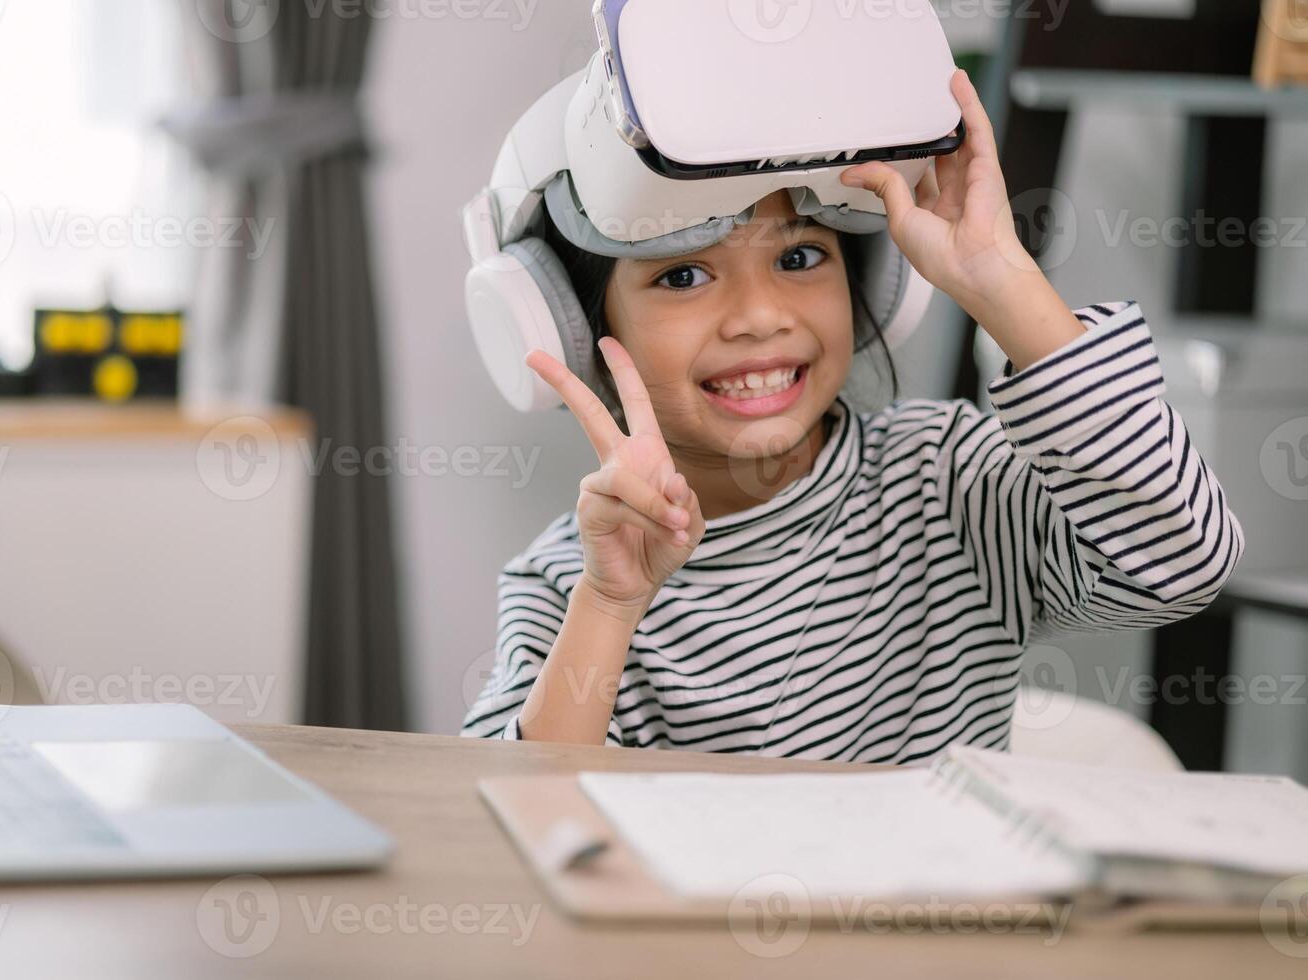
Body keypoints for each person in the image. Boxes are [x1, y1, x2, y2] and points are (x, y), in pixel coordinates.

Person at [461, 70, 1244, 761]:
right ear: (570, 327)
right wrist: (610, 607)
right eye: (684, 274)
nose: (759, 317)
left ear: (869, 285)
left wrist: (1001, 283)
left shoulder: (944, 480)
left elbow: (1184, 563)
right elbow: (521, 822)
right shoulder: (573, 582)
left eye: (799, 258)